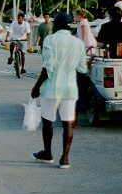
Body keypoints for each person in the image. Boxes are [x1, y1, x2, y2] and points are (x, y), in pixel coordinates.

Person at [30, 12, 87, 169]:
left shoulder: (50, 40)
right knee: (68, 122)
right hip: (70, 89)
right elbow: (82, 68)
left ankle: (48, 153)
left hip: (53, 88)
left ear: (56, 25)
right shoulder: (78, 43)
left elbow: (49, 66)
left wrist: (36, 86)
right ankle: (65, 158)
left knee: (48, 121)